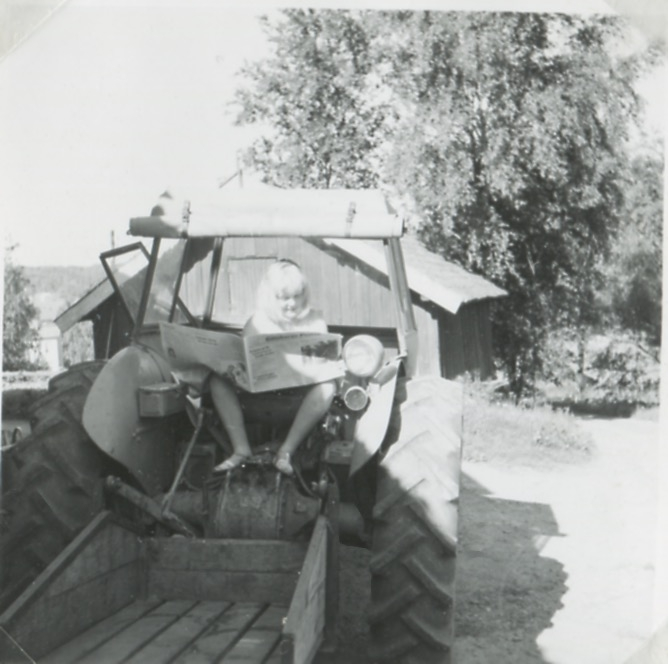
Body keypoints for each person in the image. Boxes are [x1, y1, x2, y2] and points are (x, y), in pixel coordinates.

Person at [209, 259, 336, 476]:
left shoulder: (315, 322)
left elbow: (325, 367)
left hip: (298, 402)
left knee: (328, 387)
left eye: (297, 296)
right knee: (216, 382)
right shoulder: (256, 322)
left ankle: (286, 451)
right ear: (269, 297)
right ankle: (240, 449)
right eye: (284, 298)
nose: (292, 304)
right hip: (256, 399)